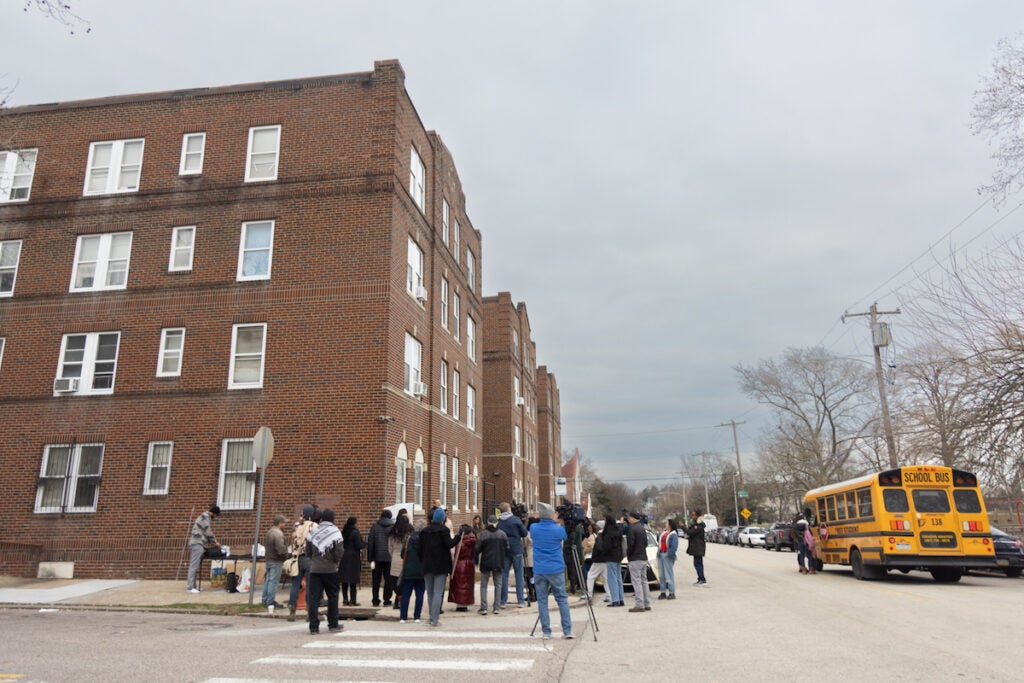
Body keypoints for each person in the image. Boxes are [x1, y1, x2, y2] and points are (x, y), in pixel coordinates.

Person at [530, 502, 573, 640]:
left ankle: (546, 632)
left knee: (542, 600)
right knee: (562, 599)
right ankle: (567, 630)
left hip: (540, 569)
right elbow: (565, 538)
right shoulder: (558, 529)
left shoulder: (534, 528)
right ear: (551, 515)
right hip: (556, 568)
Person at [305, 508, 345, 635]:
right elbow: (339, 552)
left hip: (315, 570)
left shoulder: (314, 532)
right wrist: (334, 560)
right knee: (333, 596)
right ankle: (333, 624)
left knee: (314, 599)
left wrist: (315, 559)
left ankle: (313, 627)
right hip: (330, 570)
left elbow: (308, 552)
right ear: (333, 518)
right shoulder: (335, 532)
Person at [419, 507, 461, 626]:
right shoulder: (444, 531)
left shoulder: (424, 531)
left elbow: (420, 549)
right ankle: (434, 618)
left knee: (430, 593)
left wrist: (422, 561)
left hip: (427, 565)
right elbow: (449, 544)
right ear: (443, 519)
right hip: (441, 565)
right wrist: (458, 536)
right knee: (438, 592)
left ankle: (431, 617)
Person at [288, 504, 318, 621]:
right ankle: (309, 613)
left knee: (295, 584)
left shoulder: (295, 525)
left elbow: (292, 541)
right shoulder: (314, 526)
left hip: (296, 558)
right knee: (310, 585)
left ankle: (292, 611)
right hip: (309, 557)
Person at [497, 502, 528, 608]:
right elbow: (524, 533)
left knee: (504, 575)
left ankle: (503, 601)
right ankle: (520, 601)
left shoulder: (499, 522)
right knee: (519, 575)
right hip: (516, 549)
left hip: (504, 550)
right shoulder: (515, 520)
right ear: (509, 509)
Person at [475, 515, 508, 614]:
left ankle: (484, 607)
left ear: (488, 523)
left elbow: (477, 549)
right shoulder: (502, 534)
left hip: (486, 562)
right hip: (498, 562)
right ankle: (496, 607)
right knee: (498, 584)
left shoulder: (483, 534)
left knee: (484, 585)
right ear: (496, 523)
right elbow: (507, 547)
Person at [186, 505, 220, 593]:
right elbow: (208, 532)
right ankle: (190, 588)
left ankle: (194, 586)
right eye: (216, 515)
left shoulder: (204, 516)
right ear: (213, 513)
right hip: (197, 543)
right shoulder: (205, 517)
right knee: (193, 566)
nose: (215, 518)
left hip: (198, 543)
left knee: (195, 566)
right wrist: (215, 542)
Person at [399, 519, 427, 623]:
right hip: (421, 572)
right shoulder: (425, 541)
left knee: (406, 595)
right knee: (419, 595)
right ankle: (417, 616)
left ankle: (403, 617)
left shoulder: (408, 539)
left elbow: (402, 554)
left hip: (408, 571)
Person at [367, 509, 396, 606]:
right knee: (389, 579)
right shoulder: (393, 527)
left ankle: (375, 599)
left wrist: (370, 558)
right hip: (389, 557)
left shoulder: (375, 526)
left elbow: (370, 542)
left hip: (377, 556)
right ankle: (387, 599)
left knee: (376, 580)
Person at [626, 511, 652, 613]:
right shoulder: (642, 528)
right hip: (643, 556)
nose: (628, 519)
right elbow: (645, 543)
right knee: (644, 581)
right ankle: (647, 603)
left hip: (635, 557)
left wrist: (629, 555)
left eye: (629, 518)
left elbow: (630, 544)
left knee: (636, 581)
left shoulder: (632, 529)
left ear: (632, 518)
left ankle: (639, 604)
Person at [262, 514, 289, 608]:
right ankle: (270, 601)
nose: (285, 525)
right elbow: (281, 549)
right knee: (273, 582)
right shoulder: (278, 534)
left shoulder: (270, 532)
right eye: (284, 523)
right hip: (276, 561)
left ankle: (265, 600)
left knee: (268, 580)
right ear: (280, 523)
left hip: (269, 559)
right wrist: (286, 555)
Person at [447, 523, 477, 612]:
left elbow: (454, 552)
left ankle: (459, 603)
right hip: (469, 564)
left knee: (459, 585)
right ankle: (465, 603)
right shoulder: (473, 540)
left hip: (459, 563)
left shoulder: (460, 541)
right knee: (467, 585)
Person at [388, 509, 412, 611]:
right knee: (405, 583)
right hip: (406, 559)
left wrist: (393, 555)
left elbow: (390, 548)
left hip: (395, 558)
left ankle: (398, 598)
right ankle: (401, 600)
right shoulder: (410, 533)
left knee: (395, 583)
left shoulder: (393, 533)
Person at [339, 516, 365, 605]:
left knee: (345, 580)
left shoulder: (344, 532)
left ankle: (345, 600)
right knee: (353, 580)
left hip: (344, 556)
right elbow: (358, 545)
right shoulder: (355, 532)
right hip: (354, 557)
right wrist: (365, 544)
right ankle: (353, 600)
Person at [602, 514, 626, 607]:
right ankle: (621, 598)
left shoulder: (608, 532)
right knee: (619, 578)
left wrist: (604, 552)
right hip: (618, 556)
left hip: (611, 556)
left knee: (612, 579)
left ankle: (615, 599)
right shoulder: (618, 530)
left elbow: (607, 546)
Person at [585, 519, 608, 601]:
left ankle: (589, 594)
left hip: (598, 559)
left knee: (590, 576)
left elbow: (598, 548)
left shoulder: (600, 536)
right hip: (605, 559)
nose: (596, 527)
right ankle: (609, 595)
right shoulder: (605, 535)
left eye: (597, 525)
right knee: (605, 578)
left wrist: (594, 556)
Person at [656, 518, 679, 599]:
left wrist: (669, 554)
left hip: (667, 555)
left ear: (670, 525)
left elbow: (674, 547)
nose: (665, 524)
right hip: (661, 554)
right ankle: (663, 592)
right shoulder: (664, 533)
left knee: (668, 575)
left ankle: (672, 592)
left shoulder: (673, 534)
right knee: (661, 575)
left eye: (666, 523)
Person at [685, 510, 708, 586]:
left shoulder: (699, 525)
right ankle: (700, 578)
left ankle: (702, 579)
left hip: (698, 547)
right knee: (697, 563)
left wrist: (683, 527)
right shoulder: (695, 524)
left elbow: (691, 532)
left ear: (697, 516)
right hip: (696, 547)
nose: (692, 516)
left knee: (698, 563)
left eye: (693, 515)